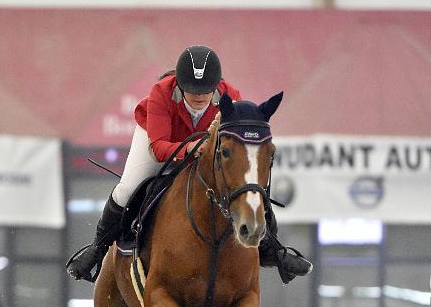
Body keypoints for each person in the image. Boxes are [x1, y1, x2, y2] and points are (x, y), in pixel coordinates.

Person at [67, 45, 312, 284]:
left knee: (246, 186)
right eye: (192, 90)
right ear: (180, 85)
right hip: (161, 140)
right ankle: (97, 250)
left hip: (205, 150)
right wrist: (192, 149)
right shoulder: (160, 93)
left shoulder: (230, 98)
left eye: (205, 91)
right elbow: (159, 147)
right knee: (128, 188)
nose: (199, 96)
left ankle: (273, 250)